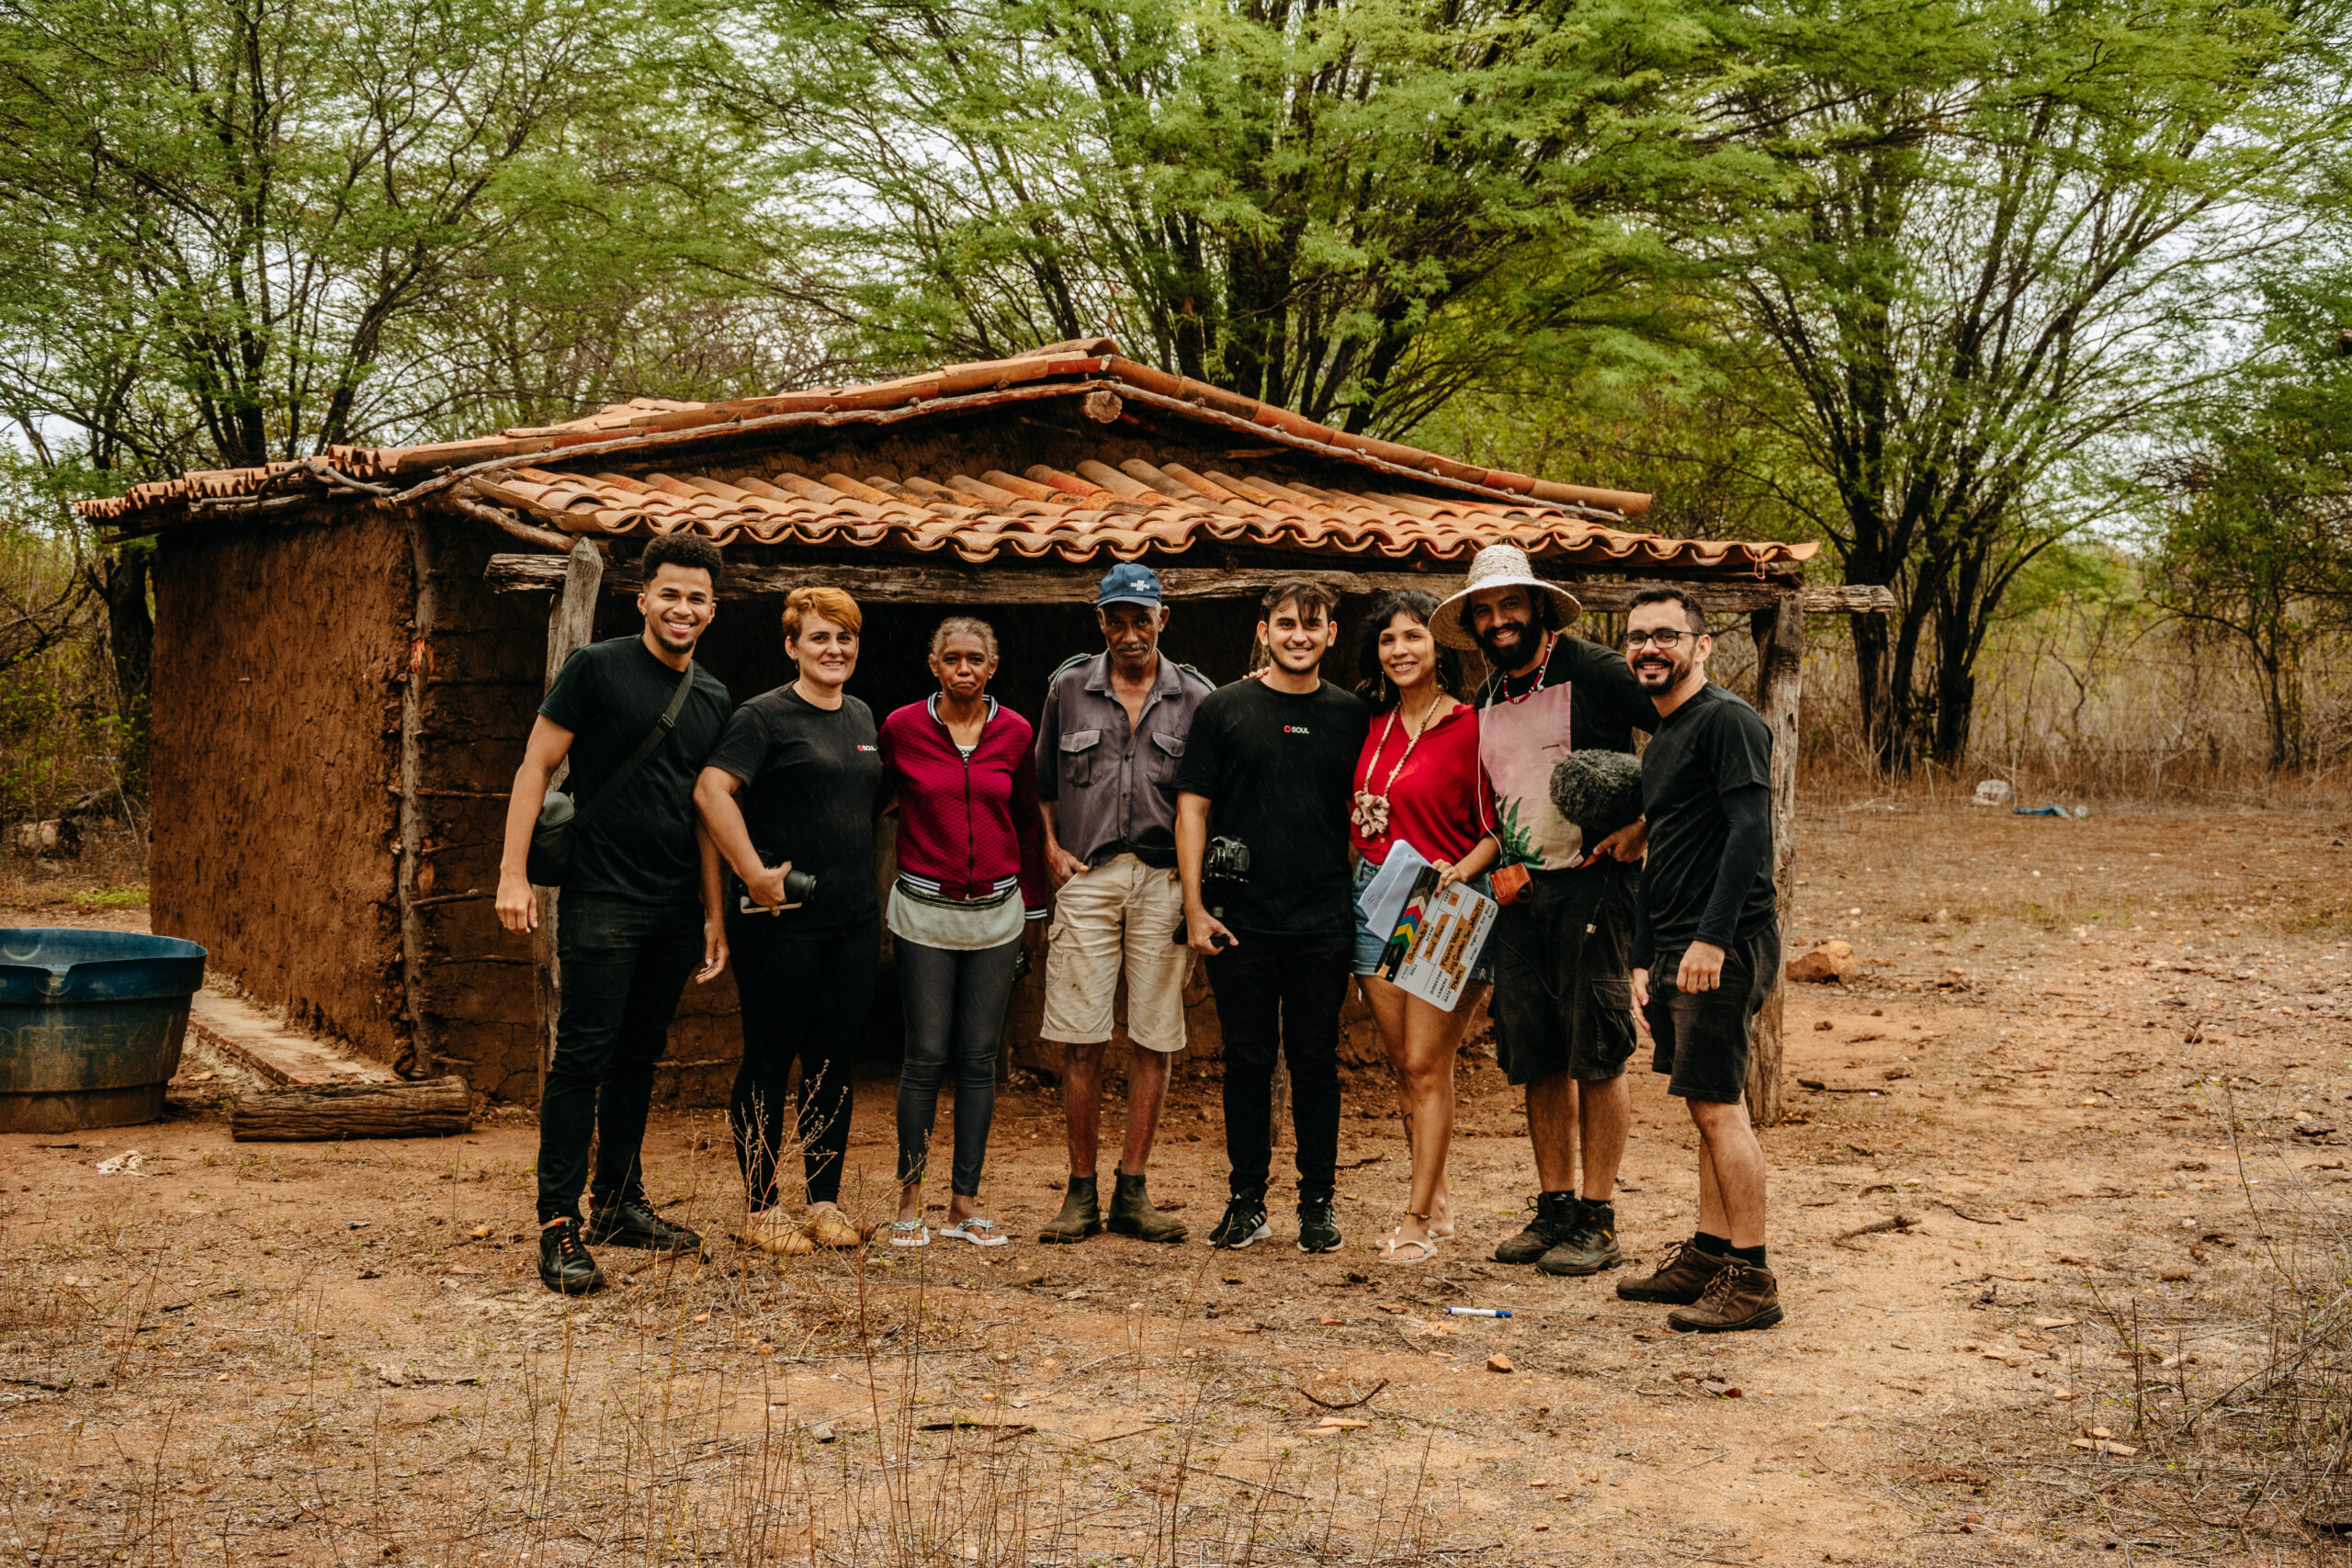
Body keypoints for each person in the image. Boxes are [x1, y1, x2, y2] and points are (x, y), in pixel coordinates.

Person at [496, 532, 735, 1296]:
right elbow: (535, 765)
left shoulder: (712, 697)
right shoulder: (595, 668)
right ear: (643, 598)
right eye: (670, 593)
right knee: (583, 1058)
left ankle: (620, 1201)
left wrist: (711, 911)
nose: (682, 608)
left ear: (712, 609)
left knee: (641, 1054)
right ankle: (557, 1223)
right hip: (601, 894)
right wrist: (513, 873)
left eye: (697, 597)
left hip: (672, 903)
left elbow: (704, 811)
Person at [1435, 543, 1653, 1278]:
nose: (1499, 620)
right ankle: (1555, 1203)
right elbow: (1505, 811)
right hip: (1521, 895)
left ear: (1536, 608)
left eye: (1510, 606)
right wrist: (1477, 863)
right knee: (1537, 1054)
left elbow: (1685, 732)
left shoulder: (1591, 669)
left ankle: (1599, 1216)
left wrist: (1642, 826)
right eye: (1485, 611)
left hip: (1596, 887)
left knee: (1597, 1049)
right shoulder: (1490, 697)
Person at [1177, 581, 1370, 1252]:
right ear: (1264, 629)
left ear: (1331, 635)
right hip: (1240, 921)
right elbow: (1193, 808)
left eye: (1311, 625)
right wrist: (1196, 907)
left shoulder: (1351, 715)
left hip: (1322, 918)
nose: (1298, 635)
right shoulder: (1223, 709)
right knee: (1247, 1061)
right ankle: (1246, 1200)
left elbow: (1368, 813)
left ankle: (1318, 1203)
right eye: (1285, 623)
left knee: (1316, 1060)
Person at [695, 586, 883, 1257]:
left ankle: (825, 1201)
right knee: (771, 1059)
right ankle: (761, 1204)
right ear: (791, 646)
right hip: (781, 921)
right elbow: (710, 791)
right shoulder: (763, 716)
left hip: (853, 922)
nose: (835, 650)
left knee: (834, 1060)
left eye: (845, 638)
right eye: (820, 638)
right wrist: (750, 870)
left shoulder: (860, 714)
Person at [1618, 586, 1785, 1333]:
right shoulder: (1663, 736)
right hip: (1679, 947)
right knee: (1707, 1104)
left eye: (1665, 634)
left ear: (1702, 644)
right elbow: (1664, 854)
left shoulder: (1729, 720)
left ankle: (1751, 1278)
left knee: (1720, 1108)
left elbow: (1751, 832)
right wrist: (1643, 958)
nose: (1649, 647)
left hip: (1724, 944)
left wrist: (1712, 939)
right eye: (1636, 637)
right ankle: (1711, 1251)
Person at [1032, 564, 1214, 1245]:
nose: (1130, 632)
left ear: (1163, 618)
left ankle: (1132, 1188)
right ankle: (1080, 1191)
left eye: (1143, 618)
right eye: (1118, 619)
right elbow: (1044, 782)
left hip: (1166, 879)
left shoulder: (1196, 695)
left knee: (1155, 1036)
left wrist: (1196, 885)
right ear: (1099, 621)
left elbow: (1209, 796)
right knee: (1081, 1035)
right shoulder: (1068, 689)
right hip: (1088, 874)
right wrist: (1051, 848)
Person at [877, 617, 1050, 1248]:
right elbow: (875, 800)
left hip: (997, 914)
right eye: (952, 658)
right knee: (924, 1055)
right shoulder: (902, 729)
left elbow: (1028, 821)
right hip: (925, 909)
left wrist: (1034, 906)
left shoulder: (1015, 732)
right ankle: (909, 1198)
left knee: (979, 1060)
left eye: (976, 658)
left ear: (992, 665)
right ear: (934, 664)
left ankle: (963, 1203)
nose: (964, 669)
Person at [1348, 592, 1498, 1262]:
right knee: (1404, 1065)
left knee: (1424, 1060)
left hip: (1443, 902)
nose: (1400, 649)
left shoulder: (1472, 725)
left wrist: (1461, 868)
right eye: (1387, 640)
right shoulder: (1370, 721)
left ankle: (1412, 1221)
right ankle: (1437, 1204)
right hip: (1374, 899)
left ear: (1439, 648)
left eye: (1413, 636)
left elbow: (1502, 826)